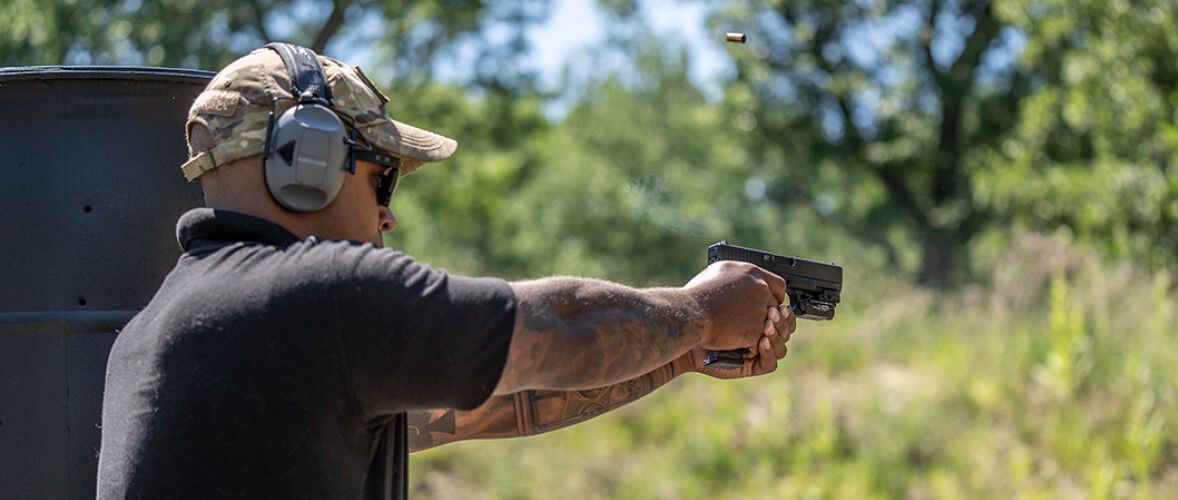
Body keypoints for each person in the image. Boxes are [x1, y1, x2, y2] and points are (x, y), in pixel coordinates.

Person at [97, 44, 796, 499]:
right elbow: (562, 326)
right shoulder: (319, 296)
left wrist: (679, 354)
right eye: (384, 180)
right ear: (304, 161)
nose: (388, 218)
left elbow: (496, 403)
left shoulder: (159, 329)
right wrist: (700, 311)